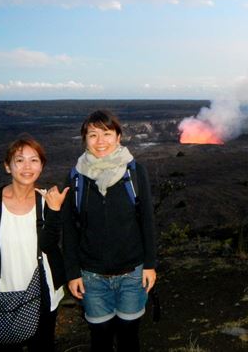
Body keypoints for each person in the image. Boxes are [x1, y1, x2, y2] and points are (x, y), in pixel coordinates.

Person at [0, 134, 68, 351]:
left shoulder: (48, 201)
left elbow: (49, 245)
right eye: (19, 160)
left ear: (42, 166)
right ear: (8, 167)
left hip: (43, 295)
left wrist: (54, 211)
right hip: (2, 297)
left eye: (34, 160)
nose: (27, 166)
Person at [62, 109, 157, 352]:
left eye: (106, 133)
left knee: (128, 338)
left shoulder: (134, 173)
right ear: (85, 139)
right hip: (92, 277)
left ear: (118, 137)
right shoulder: (75, 178)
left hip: (132, 273)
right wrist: (73, 273)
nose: (100, 141)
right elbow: (70, 229)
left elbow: (147, 220)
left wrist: (149, 265)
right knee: (100, 339)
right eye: (93, 135)